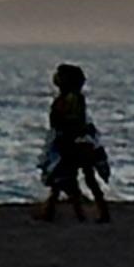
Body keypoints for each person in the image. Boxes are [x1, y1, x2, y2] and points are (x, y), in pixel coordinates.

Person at [34, 64, 111, 221]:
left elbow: (73, 120)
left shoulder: (72, 98)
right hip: (74, 141)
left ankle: (86, 212)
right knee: (70, 178)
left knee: (70, 177)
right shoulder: (69, 98)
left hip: (73, 142)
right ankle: (57, 211)